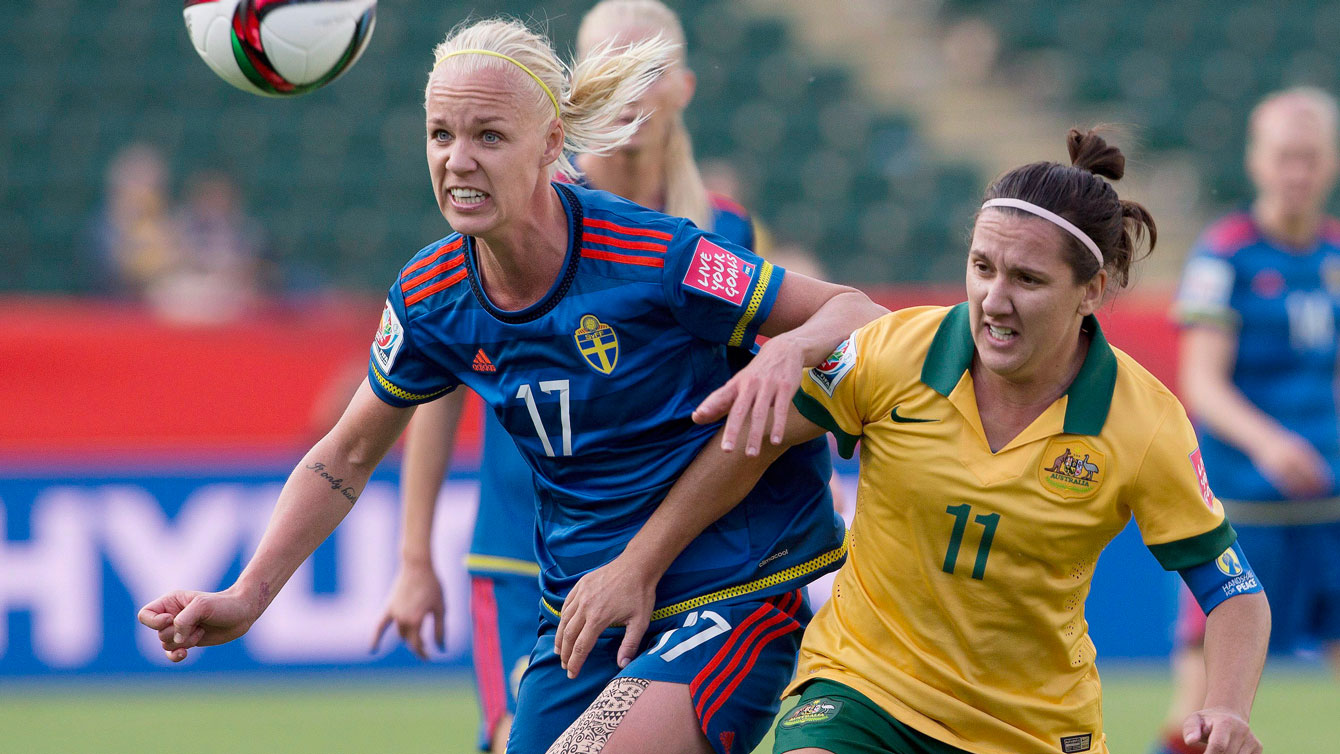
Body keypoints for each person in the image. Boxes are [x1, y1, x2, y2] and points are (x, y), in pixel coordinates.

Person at [138, 16, 886, 754]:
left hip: (732, 587)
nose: (458, 160)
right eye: (441, 135)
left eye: (489, 136)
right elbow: (347, 455)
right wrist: (248, 595)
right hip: (585, 607)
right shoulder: (430, 295)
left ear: (552, 146)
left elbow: (856, 312)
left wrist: (789, 350)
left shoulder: (657, 253)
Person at [560, 130, 1271, 754]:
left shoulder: (1144, 423)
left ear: (1093, 290)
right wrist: (638, 565)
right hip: (863, 691)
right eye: (983, 267)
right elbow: (753, 442)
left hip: (1031, 729)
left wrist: (1228, 708)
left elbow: (1234, 591)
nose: (994, 299)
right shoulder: (893, 351)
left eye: (1028, 279)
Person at [368, 3, 787, 752]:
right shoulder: (515, 203)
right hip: (522, 549)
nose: (629, 89)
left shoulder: (720, 231)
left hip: (666, 551)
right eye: (607, 66)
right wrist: (412, 555)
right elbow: (430, 385)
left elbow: (776, 363)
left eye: (648, 67)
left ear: (684, 87)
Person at [1155, 87, 1340, 754]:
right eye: (1285, 157)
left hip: (1330, 505)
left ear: (1330, 164)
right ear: (1258, 162)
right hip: (1243, 511)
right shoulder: (1224, 254)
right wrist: (1271, 443)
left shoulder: (1334, 256)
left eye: (1310, 158)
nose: (1297, 173)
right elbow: (1202, 382)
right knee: (1199, 712)